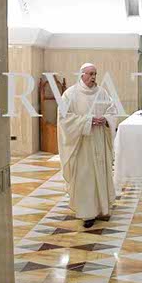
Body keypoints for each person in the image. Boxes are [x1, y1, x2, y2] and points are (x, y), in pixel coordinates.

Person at [58, 63, 118, 228]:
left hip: (99, 141)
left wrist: (106, 119)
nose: (93, 77)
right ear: (81, 75)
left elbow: (112, 111)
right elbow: (64, 118)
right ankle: (87, 213)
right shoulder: (70, 94)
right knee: (85, 178)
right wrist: (88, 121)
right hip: (82, 144)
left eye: (95, 74)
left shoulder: (102, 92)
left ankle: (101, 208)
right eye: (90, 74)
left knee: (100, 175)